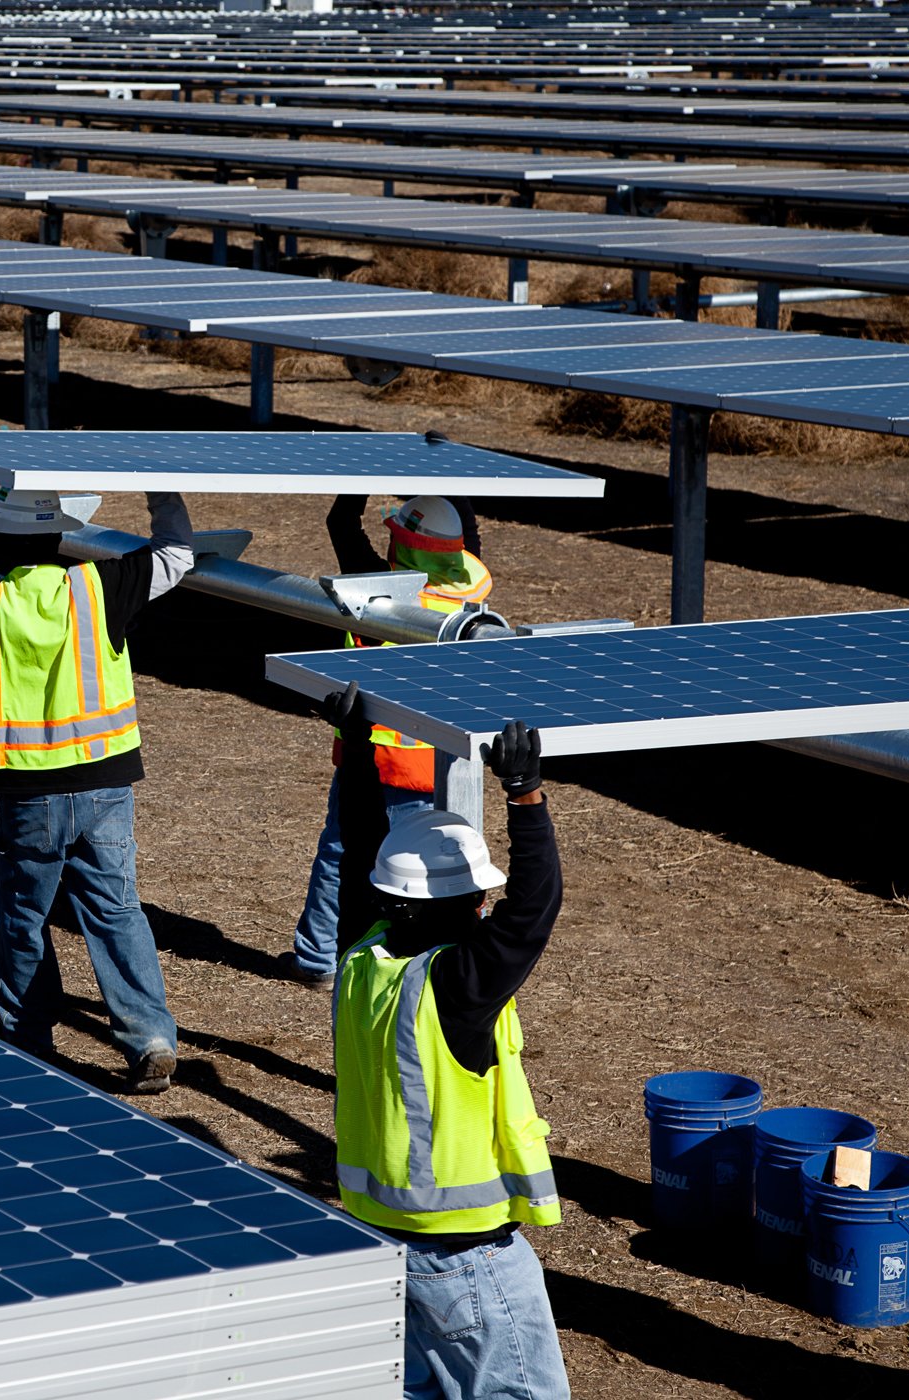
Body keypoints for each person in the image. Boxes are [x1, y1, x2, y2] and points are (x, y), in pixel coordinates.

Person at [0, 467, 193, 1094]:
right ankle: (150, 1038)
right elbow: (176, 553)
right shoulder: (100, 586)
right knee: (115, 908)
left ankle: (30, 1037)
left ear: (0, 536)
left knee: (24, 915)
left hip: (27, 790)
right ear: (61, 534)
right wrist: (160, 488)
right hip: (106, 780)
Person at [323, 681, 570, 1400]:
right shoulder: (455, 983)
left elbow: (366, 858)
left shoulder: (363, 958)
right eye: (476, 896)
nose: (486, 904)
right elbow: (533, 910)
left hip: (382, 1238)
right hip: (466, 1255)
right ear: (461, 905)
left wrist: (359, 757)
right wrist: (525, 797)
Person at [283, 494, 490, 988]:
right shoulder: (472, 594)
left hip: (374, 754)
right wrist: (445, 482)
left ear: (402, 544)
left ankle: (317, 960)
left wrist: (363, 479)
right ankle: (421, 956)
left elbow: (341, 522)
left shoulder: (377, 590)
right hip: (444, 762)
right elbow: (468, 532)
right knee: (431, 864)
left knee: (342, 851)